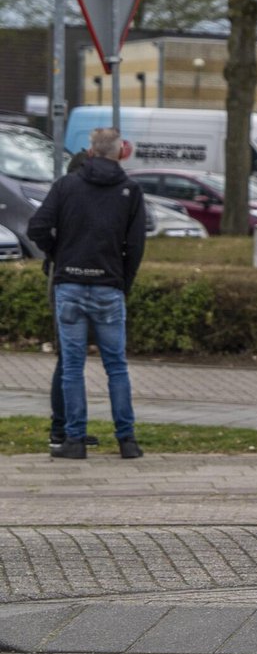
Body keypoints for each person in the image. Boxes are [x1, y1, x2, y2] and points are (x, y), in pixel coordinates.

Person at [27, 128, 147, 459]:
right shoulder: (130, 190)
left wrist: (59, 253)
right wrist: (123, 281)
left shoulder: (66, 186)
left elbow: (37, 227)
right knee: (116, 366)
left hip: (70, 283)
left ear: (90, 152)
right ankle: (127, 440)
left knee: (72, 366)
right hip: (109, 285)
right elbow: (136, 245)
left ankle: (74, 439)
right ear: (120, 152)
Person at [46, 148, 100, 451]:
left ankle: (69, 427)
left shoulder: (65, 198)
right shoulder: (71, 199)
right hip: (68, 282)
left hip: (64, 277)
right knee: (68, 358)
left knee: (70, 358)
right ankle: (62, 428)